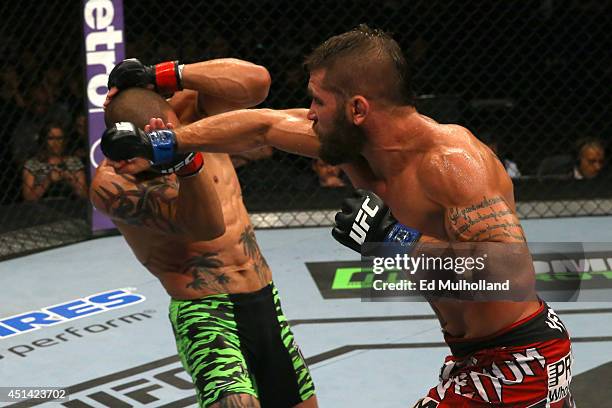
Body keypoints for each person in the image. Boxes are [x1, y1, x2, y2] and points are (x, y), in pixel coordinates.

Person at [101, 25, 575, 407]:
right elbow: (262, 123)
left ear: (358, 108)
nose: (309, 113)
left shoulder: (451, 161)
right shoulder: (358, 146)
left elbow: (514, 273)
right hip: (478, 356)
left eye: (318, 102)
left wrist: (395, 239)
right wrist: (164, 143)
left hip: (517, 360)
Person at [92, 58, 317, 408]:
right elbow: (207, 227)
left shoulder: (191, 118)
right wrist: (184, 163)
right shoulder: (114, 184)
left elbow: (257, 82)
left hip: (264, 299)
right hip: (206, 312)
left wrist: (162, 74)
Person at [22, 122, 87, 201]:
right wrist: (48, 179)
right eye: (51, 138)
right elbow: (29, 198)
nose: (55, 143)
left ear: (64, 140)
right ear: (44, 140)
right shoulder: (33, 164)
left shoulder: (73, 162)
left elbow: (84, 195)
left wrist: (70, 179)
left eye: (59, 138)